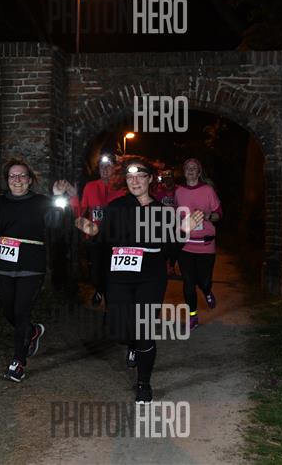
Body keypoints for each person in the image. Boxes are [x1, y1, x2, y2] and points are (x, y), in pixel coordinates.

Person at [75, 157, 202, 403]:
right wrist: (93, 233)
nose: (134, 181)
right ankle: (132, 343)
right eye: (130, 177)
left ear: (150, 179)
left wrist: (183, 231)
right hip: (119, 278)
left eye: (140, 176)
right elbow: (103, 242)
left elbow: (171, 250)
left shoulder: (163, 212)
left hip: (150, 279)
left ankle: (144, 383)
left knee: (144, 330)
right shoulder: (116, 208)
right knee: (120, 331)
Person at [0, 159, 69, 382]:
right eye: (12, 176)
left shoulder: (41, 201)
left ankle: (18, 362)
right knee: (9, 311)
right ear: (7, 180)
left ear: (30, 180)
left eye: (22, 175)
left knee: (21, 312)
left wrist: (57, 197)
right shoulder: (0, 202)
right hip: (6, 265)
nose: (17, 180)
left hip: (31, 265)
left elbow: (55, 223)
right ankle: (32, 331)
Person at [175, 158, 222, 330]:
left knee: (203, 281)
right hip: (185, 245)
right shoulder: (179, 191)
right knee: (188, 283)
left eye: (194, 168)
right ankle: (193, 316)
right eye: (188, 168)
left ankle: (207, 291)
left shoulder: (208, 190)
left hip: (205, 245)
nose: (190, 170)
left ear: (199, 172)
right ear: (184, 171)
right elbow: (176, 215)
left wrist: (207, 216)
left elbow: (219, 214)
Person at [74, 154, 125, 306]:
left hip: (116, 237)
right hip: (95, 236)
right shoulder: (90, 186)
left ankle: (109, 300)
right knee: (96, 271)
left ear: (115, 169)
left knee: (112, 270)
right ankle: (99, 289)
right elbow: (80, 211)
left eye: (108, 166)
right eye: (102, 167)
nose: (104, 169)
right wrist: (73, 197)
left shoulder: (122, 189)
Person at [153, 170, 180, 277]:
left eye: (169, 178)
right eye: (165, 179)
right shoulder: (159, 191)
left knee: (175, 246)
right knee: (163, 245)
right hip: (163, 222)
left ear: (173, 178)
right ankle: (163, 266)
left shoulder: (179, 190)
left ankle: (172, 266)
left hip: (177, 222)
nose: (168, 181)